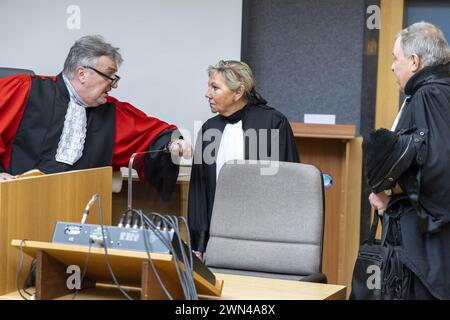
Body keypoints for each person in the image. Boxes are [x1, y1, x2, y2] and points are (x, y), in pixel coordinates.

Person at [0, 35, 190, 199]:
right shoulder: (25, 90)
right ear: (81, 73)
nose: (113, 85)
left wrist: (172, 144)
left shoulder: (112, 114)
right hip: (15, 201)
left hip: (82, 210)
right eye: (109, 76)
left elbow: (153, 134)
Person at [367, 22, 450, 299]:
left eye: (395, 58)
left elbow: (438, 169)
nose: (392, 66)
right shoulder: (439, 91)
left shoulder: (429, 95)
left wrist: (391, 194)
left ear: (414, 62)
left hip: (424, 254)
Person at [188, 60, 300, 260]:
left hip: (264, 241)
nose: (207, 94)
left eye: (215, 87)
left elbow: (287, 188)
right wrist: (198, 243)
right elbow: (199, 191)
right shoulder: (209, 130)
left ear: (238, 92)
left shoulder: (273, 123)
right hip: (217, 240)